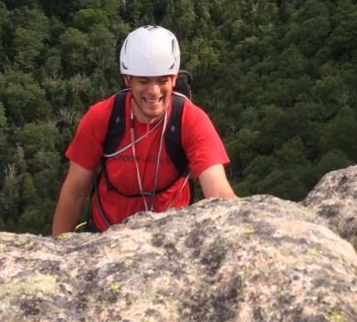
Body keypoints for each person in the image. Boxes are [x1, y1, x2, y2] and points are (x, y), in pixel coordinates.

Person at [52, 25, 235, 235]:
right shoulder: (103, 117)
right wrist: (57, 248)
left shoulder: (190, 120)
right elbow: (74, 191)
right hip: (106, 238)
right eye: (144, 81)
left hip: (170, 238)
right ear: (127, 80)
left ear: (174, 78)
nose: (154, 91)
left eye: (162, 80)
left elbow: (218, 191)